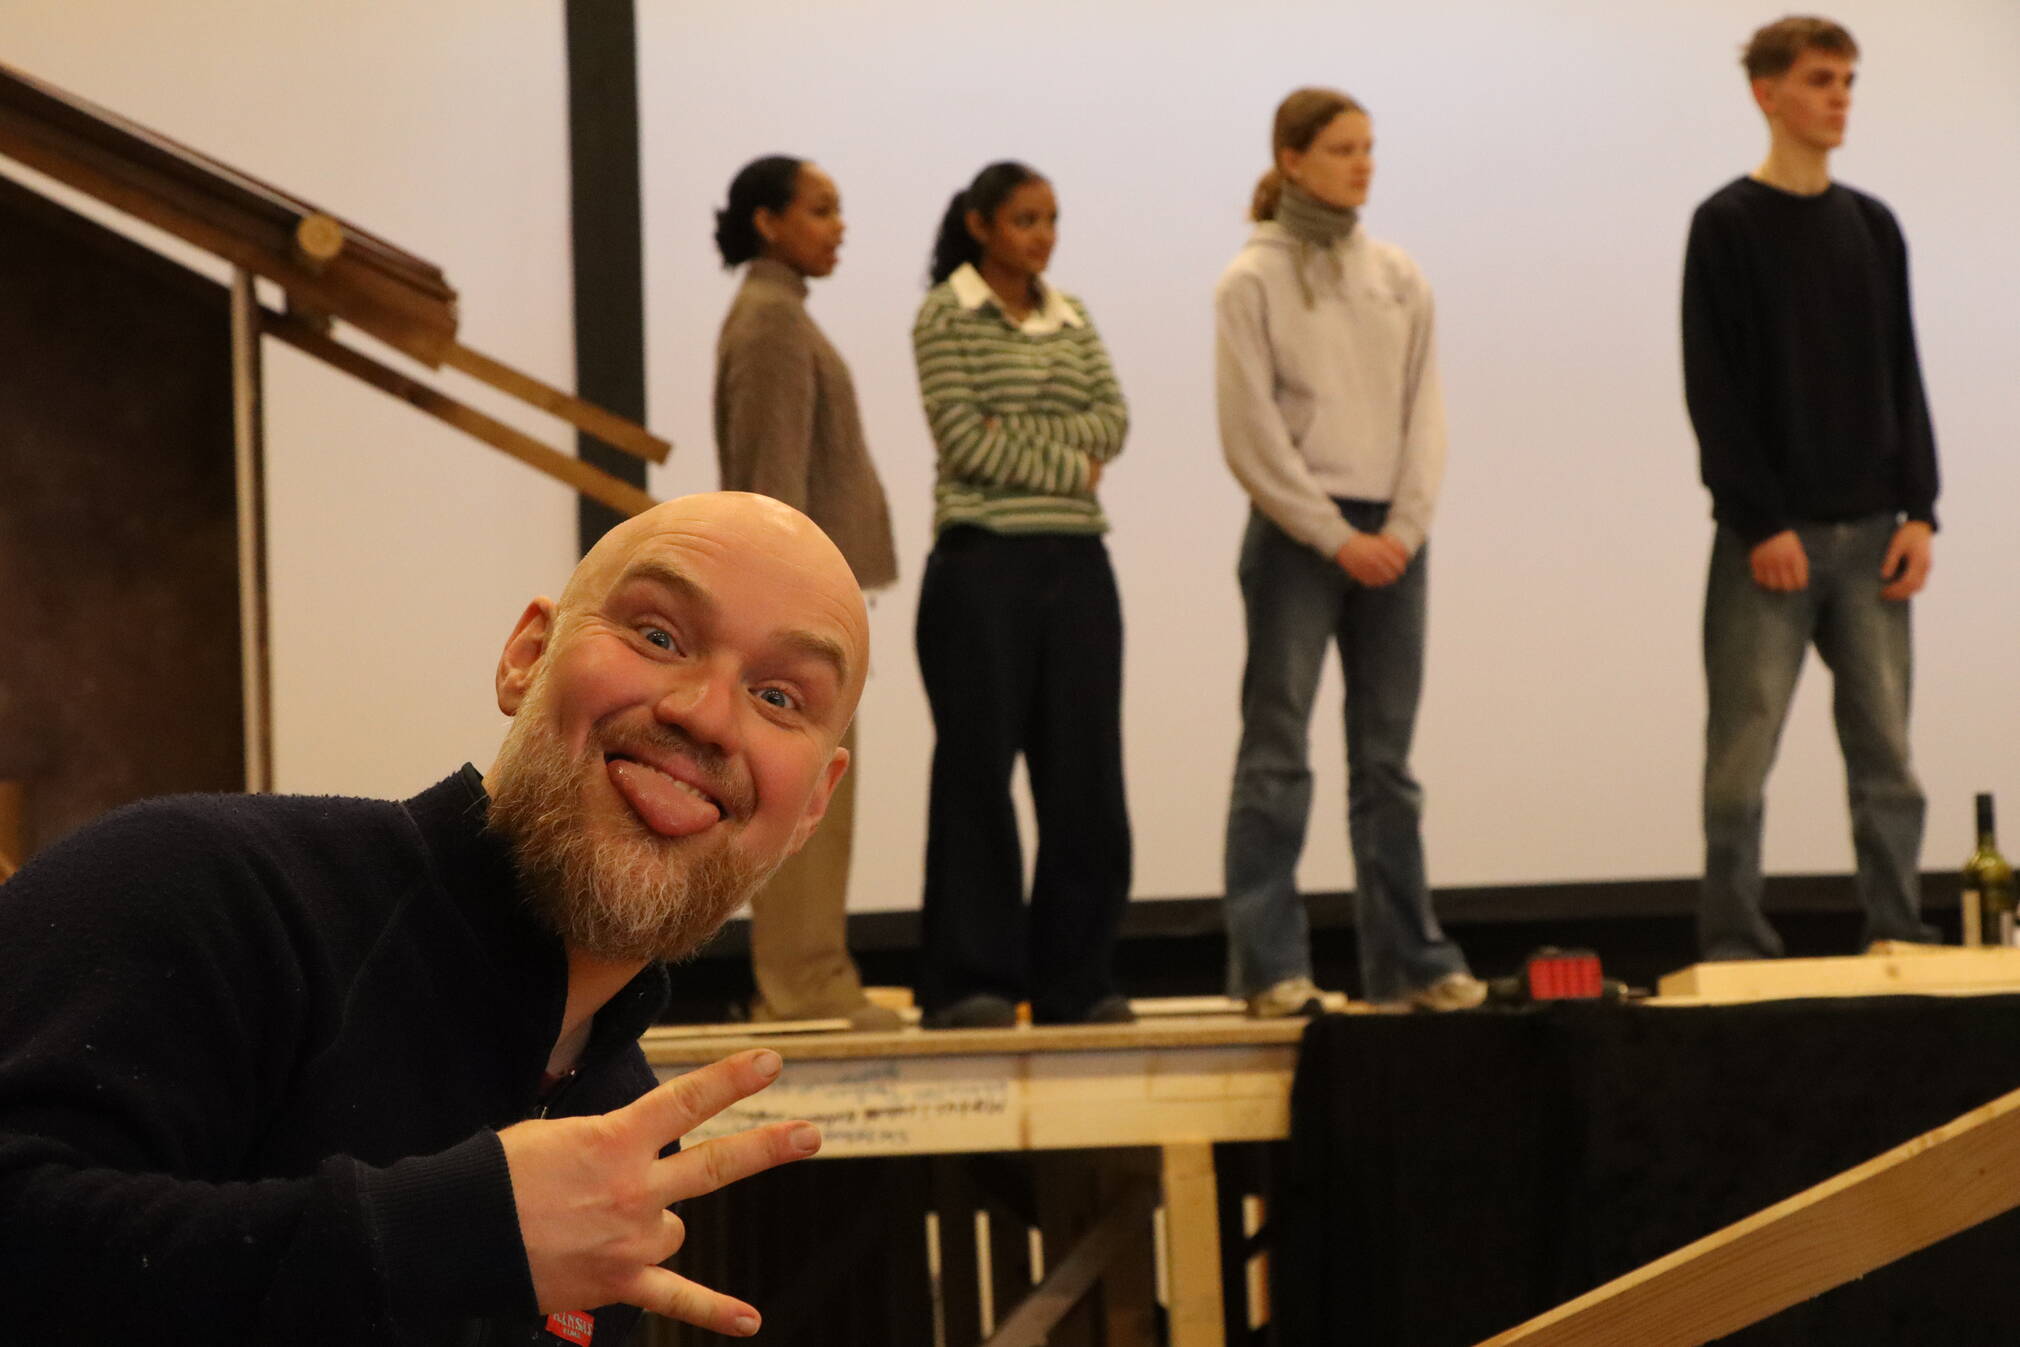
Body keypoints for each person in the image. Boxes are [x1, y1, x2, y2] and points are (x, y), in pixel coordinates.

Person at [0, 493, 867, 1345]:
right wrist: (451, 1235)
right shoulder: (197, 888)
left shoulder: (622, 1124)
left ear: (812, 808)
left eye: (779, 696)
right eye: (658, 636)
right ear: (528, 655)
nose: (706, 715)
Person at [1216, 88, 1484, 1017]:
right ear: (1292, 159)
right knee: (1277, 752)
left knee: (1386, 762)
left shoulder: (1398, 274)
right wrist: (1334, 534)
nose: (1363, 164)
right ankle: (1270, 967)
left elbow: (1426, 411)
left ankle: (1411, 961)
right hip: (1298, 535)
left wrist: (1403, 528)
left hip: (1394, 540)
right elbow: (1250, 434)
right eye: (1341, 149)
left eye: (1369, 147)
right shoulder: (1250, 280)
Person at [1684, 17, 1940, 960]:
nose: (1840, 98)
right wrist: (1759, 521)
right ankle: (1734, 940)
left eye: (1848, 81)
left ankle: (1898, 928)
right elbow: (1714, 388)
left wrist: (1921, 510)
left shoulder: (1872, 225)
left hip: (1874, 532)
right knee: (1740, 760)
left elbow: (1901, 371)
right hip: (1771, 541)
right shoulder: (1727, 224)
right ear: (1768, 94)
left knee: (1888, 757)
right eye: (1821, 80)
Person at [909, 161, 1133, 1029]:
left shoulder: (1072, 313)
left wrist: (1027, 436)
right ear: (980, 225)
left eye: (1051, 219)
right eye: (1025, 220)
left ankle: (1078, 979)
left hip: (1079, 564)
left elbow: (1113, 420)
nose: (1043, 236)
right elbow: (966, 441)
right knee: (977, 773)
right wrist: (1073, 462)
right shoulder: (945, 313)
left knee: (1087, 775)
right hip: (981, 565)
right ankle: (973, 980)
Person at [712, 155, 901, 1030]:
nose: (839, 225)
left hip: (806, 603)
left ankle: (812, 975)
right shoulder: (772, 323)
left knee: (816, 793)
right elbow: (770, 480)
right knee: (801, 793)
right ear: (768, 220)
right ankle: (804, 985)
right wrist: (788, 607)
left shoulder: (779, 312)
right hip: (794, 608)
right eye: (821, 209)